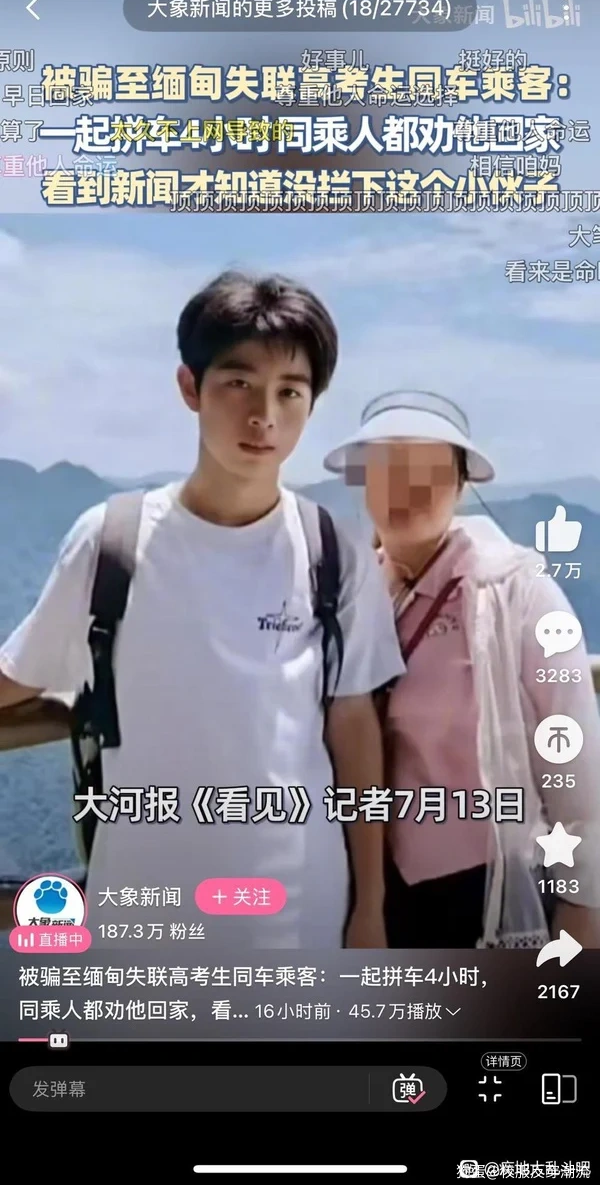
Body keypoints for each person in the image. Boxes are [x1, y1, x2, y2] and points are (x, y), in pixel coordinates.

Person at [0, 272, 403, 951]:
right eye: (238, 383)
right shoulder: (113, 542)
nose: (264, 415)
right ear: (190, 387)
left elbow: (354, 727)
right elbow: (20, 674)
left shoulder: (332, 551)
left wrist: (370, 906)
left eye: (290, 392)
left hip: (300, 913)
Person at [324, 390, 600, 949]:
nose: (404, 487)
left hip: (488, 885)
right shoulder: (356, 596)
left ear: (460, 483)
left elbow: (572, 752)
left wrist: (584, 904)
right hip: (373, 888)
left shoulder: (517, 594)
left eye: (427, 471)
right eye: (386, 469)